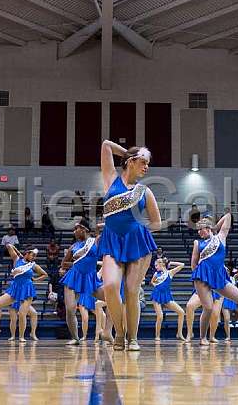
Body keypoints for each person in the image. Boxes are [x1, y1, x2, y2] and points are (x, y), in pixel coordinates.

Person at [98, 141, 161, 351]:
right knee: (110, 286)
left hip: (137, 243)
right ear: (131, 162)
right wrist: (130, 154)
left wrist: (139, 231)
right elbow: (106, 145)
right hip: (112, 240)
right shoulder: (111, 180)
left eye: (148, 164)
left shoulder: (144, 191)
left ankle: (132, 338)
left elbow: (157, 222)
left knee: (132, 290)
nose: (146, 167)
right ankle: (119, 332)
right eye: (143, 162)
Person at [191, 212, 238, 347]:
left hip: (219, 276)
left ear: (209, 228)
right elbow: (194, 264)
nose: (200, 231)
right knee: (208, 307)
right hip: (202, 276)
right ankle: (202, 338)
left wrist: (215, 227)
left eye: (202, 228)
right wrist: (200, 277)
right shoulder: (198, 243)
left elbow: (228, 216)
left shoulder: (220, 237)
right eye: (198, 229)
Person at [0, 244, 48, 342]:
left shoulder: (33, 265)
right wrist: (19, 253)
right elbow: (9, 245)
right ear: (27, 253)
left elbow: (44, 274)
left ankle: (21, 337)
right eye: (32, 255)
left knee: (22, 314)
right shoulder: (17, 259)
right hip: (15, 288)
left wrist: (35, 279)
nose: (34, 257)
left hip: (27, 289)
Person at [59, 219, 100, 345]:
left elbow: (101, 229)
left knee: (111, 300)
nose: (74, 231)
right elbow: (63, 264)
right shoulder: (73, 246)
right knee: (70, 309)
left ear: (84, 229)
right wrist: (75, 264)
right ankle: (75, 338)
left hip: (90, 277)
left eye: (76, 228)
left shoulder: (95, 241)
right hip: (74, 277)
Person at [149, 257, 186, 341]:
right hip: (157, 295)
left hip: (166, 296)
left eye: (156, 265)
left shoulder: (170, 272)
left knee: (181, 312)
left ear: (162, 264)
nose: (155, 267)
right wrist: (155, 285)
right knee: (160, 316)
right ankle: (157, 336)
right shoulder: (156, 274)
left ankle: (179, 333)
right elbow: (152, 282)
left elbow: (182, 265)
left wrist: (170, 262)